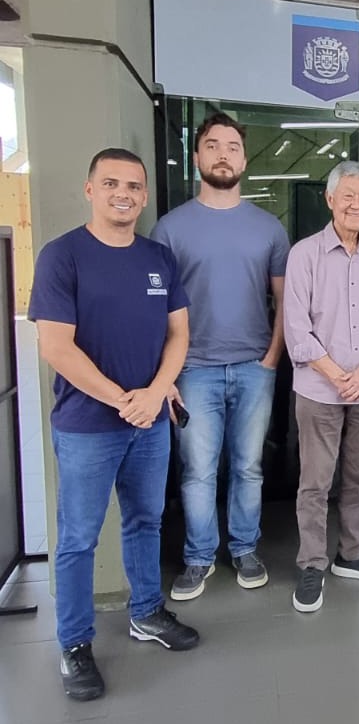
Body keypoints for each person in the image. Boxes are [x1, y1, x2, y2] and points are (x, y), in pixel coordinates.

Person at [29, 148, 199, 702]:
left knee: (145, 522)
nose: (123, 193)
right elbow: (56, 345)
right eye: (111, 184)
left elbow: (179, 335)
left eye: (133, 185)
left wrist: (152, 396)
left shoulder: (157, 258)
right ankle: (74, 644)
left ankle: (146, 613)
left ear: (145, 196)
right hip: (87, 426)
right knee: (77, 539)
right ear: (90, 190)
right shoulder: (63, 256)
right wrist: (126, 400)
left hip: (149, 421)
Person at [152, 113, 290, 601]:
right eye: (213, 145)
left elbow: (285, 302)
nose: (223, 154)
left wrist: (272, 358)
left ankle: (245, 548)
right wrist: (165, 374)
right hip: (193, 372)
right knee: (196, 469)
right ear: (197, 157)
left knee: (249, 466)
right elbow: (157, 310)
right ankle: (198, 557)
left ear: (244, 159)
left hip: (255, 368)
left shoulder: (269, 228)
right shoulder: (169, 228)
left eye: (232, 146)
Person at [284, 161, 359, 612]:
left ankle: (351, 554)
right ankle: (312, 564)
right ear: (330, 199)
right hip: (319, 389)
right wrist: (338, 376)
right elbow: (296, 329)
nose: (357, 204)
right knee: (314, 481)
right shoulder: (305, 254)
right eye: (348, 195)